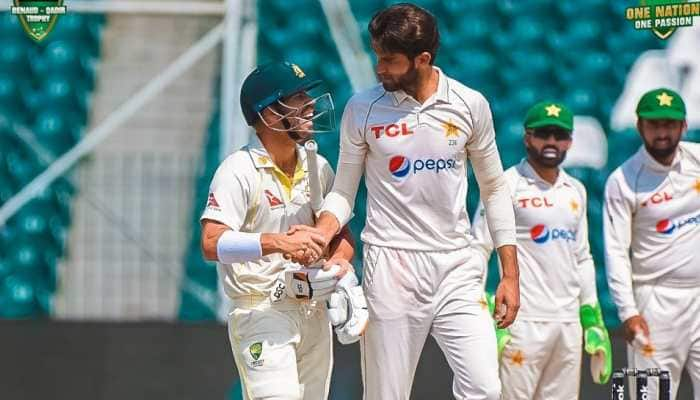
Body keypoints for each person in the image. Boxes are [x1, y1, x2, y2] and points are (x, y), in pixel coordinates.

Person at [306, 4, 520, 399]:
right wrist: (323, 232)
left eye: (390, 60)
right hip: (392, 266)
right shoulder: (363, 108)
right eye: (377, 57)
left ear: (423, 59)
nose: (380, 68)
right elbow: (343, 192)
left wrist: (510, 274)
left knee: (486, 389)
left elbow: (494, 189)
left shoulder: (470, 104)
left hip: (456, 264)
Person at [200, 61, 356, 400]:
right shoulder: (238, 170)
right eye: (297, 98)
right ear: (269, 114)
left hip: (313, 309)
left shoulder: (318, 165)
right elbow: (211, 243)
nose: (311, 105)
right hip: (262, 312)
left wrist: (340, 264)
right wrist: (279, 243)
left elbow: (341, 236)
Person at [472, 101, 612, 399]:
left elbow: (582, 256)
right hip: (522, 322)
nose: (551, 142)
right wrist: (481, 311)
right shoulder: (505, 185)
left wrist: (592, 317)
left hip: (568, 324)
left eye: (559, 135)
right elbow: (478, 249)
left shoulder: (576, 190)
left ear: (570, 141)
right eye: (543, 134)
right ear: (527, 137)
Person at [604, 88, 700, 400]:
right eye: (654, 124)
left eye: (669, 124)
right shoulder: (624, 179)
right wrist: (628, 312)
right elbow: (616, 250)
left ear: (683, 126)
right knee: (652, 395)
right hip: (655, 302)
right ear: (639, 126)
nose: (662, 132)